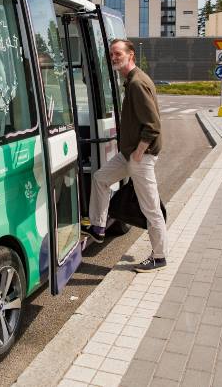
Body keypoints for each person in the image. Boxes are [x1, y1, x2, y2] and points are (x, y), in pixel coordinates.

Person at [84, 38, 167, 273]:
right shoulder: (130, 81)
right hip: (129, 153)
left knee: (151, 208)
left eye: (118, 53)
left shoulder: (137, 83)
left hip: (141, 155)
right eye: (111, 54)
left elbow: (153, 125)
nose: (114, 57)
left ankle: (159, 257)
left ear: (131, 55)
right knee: (100, 178)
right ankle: (99, 227)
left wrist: (139, 153)